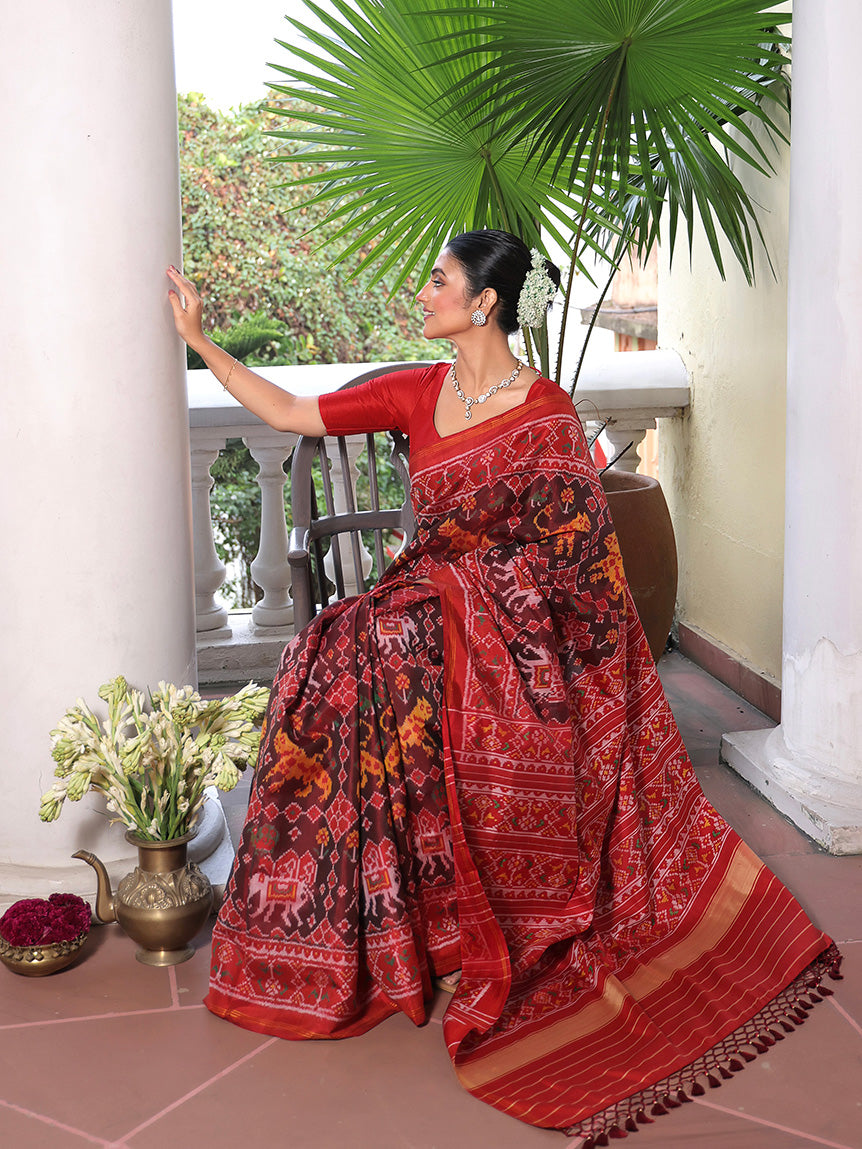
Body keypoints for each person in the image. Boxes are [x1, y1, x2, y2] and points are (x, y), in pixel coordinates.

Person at [167, 231, 840, 1145]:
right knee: (334, 658)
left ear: (484, 303)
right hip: (430, 599)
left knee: (394, 660)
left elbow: (583, 568)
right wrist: (202, 342)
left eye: (439, 279)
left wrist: (507, 611)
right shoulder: (416, 391)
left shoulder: (548, 415)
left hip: (518, 635)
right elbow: (290, 411)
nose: (426, 289)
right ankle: (381, 933)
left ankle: (462, 922)